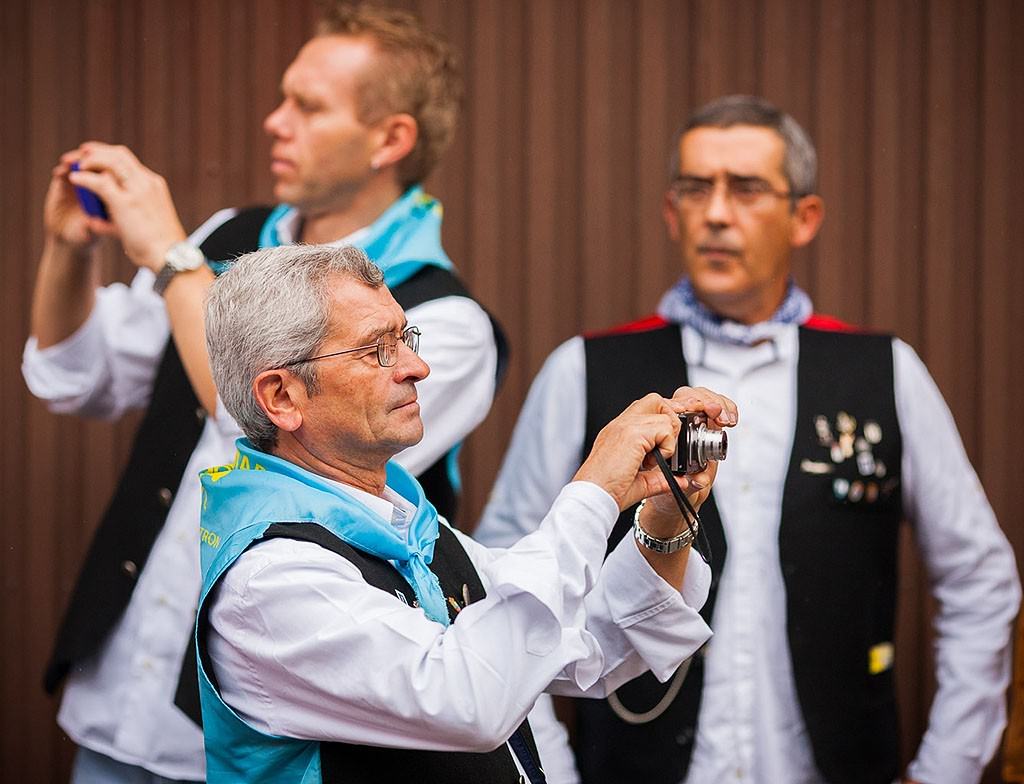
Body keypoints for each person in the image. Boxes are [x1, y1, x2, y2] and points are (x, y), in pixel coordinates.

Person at [473, 94, 1021, 784]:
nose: (718, 213)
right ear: (672, 213)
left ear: (805, 218)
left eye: (748, 189)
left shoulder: (883, 371)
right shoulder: (585, 369)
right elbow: (507, 578)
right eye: (696, 189)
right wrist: (549, 774)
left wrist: (950, 767)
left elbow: (979, 577)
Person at [21, 5, 503, 782]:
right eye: (284, 98)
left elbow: (250, 412)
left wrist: (176, 260)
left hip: (268, 723)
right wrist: (67, 252)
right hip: (120, 687)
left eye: (308, 106)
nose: (275, 122)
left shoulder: (443, 319)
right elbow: (79, 378)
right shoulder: (227, 238)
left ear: (392, 140)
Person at [195, 242, 731, 783]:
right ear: (282, 396)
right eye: (375, 350)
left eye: (405, 337)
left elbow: (585, 645)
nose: (418, 367)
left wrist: (665, 517)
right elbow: (471, 698)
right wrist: (594, 490)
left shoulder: (401, 521)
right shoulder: (271, 578)